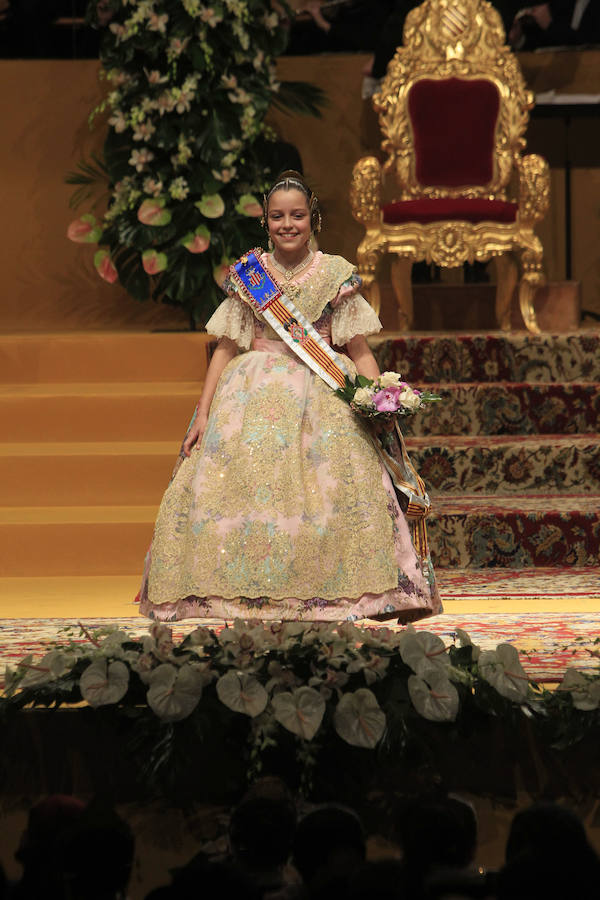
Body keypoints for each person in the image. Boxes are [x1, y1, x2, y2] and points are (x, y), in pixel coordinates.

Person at [138, 170, 441, 623]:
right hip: (251, 392)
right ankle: (238, 594)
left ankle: (357, 595)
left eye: (296, 215)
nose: (287, 224)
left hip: (321, 392)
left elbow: (358, 350)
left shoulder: (337, 274)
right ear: (265, 221)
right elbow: (223, 350)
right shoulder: (250, 276)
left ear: (312, 218)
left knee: (340, 485)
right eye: (277, 216)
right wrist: (202, 415)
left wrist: (380, 400)